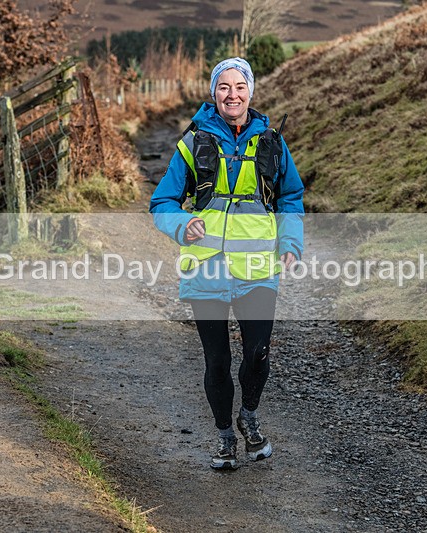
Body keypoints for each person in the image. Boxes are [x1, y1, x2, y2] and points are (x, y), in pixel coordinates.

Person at [149, 57, 304, 470]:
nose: (232, 95)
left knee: (258, 353)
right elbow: (162, 202)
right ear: (213, 92)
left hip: (258, 270)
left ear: (250, 92)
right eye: (223, 87)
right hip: (207, 270)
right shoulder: (193, 142)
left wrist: (290, 241)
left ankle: (249, 417)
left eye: (239, 87)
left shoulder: (271, 142)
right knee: (216, 361)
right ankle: (223, 438)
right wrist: (183, 225)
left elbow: (290, 197)